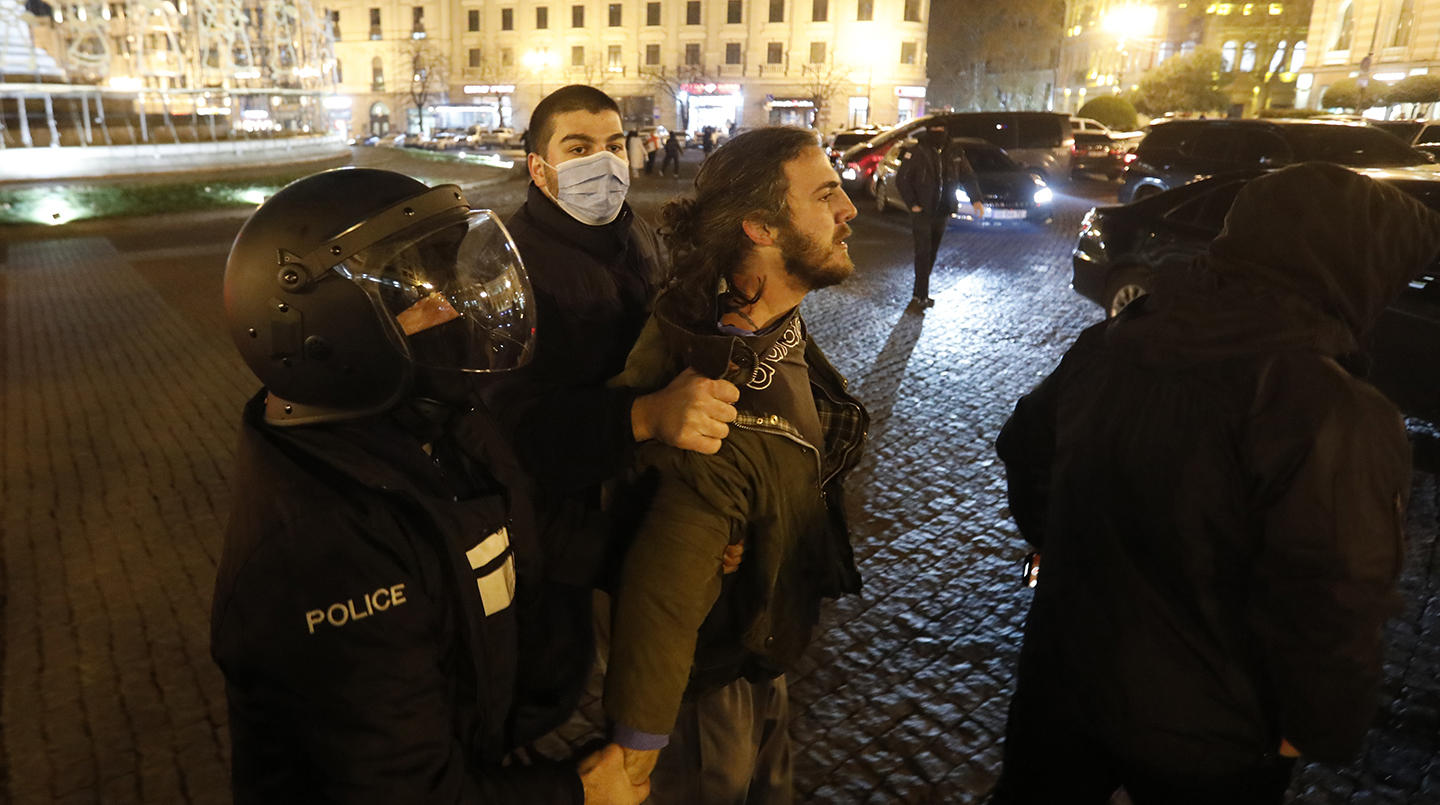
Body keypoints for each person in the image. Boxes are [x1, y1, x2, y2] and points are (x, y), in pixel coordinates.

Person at [990, 163, 1440, 805]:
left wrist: (1059, 548)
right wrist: (1310, 732)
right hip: (1212, 734)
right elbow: (1334, 597)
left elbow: (1027, 446)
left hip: (1063, 679)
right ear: (1355, 271)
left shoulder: (1119, 337)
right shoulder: (1331, 409)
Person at [210, 167, 649, 804]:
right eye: (421, 298)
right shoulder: (321, 547)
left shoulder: (440, 422)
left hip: (478, 743)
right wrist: (575, 793)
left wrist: (643, 549)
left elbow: (519, 527)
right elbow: (402, 790)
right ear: (325, 332)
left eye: (447, 285)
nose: (451, 308)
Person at [603, 126, 870, 803]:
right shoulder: (719, 400)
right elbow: (664, 588)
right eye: (826, 194)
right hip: (709, 683)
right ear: (761, 226)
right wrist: (634, 753)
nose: (851, 210)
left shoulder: (764, 320)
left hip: (760, 653)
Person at [481, 84, 742, 728]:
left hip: (641, 511)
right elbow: (511, 426)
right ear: (540, 169)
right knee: (565, 699)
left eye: (613, 144)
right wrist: (645, 416)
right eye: (578, 148)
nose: (603, 162)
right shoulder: (507, 269)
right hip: (565, 543)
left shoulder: (640, 239)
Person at [894, 124, 983, 309]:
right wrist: (913, 204)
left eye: (941, 129)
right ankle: (921, 295)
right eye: (934, 129)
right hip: (923, 212)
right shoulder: (917, 151)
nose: (938, 133)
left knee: (932, 252)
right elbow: (902, 179)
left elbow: (968, 176)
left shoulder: (955, 152)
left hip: (943, 210)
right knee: (923, 252)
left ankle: (920, 291)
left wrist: (976, 200)